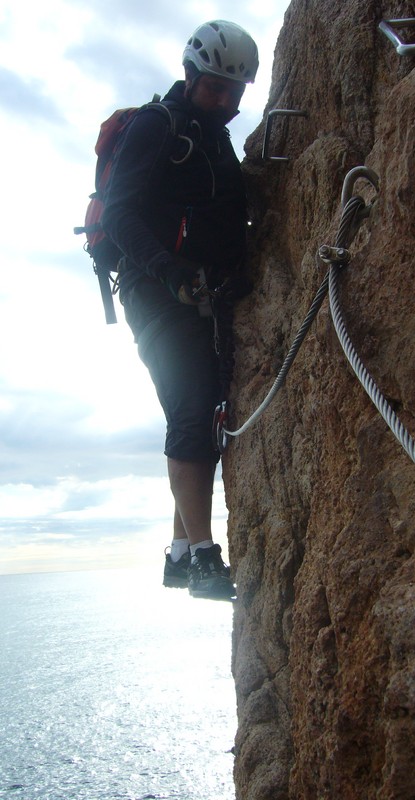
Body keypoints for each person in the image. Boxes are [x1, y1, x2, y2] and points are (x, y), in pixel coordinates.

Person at [102, 20, 259, 600]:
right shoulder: (156, 126)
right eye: (214, 86)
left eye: (233, 92)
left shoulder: (214, 138)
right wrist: (171, 275)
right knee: (191, 413)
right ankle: (202, 560)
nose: (224, 100)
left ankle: (177, 552)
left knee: (206, 415)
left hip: (200, 291)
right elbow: (120, 217)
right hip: (155, 292)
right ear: (190, 76)